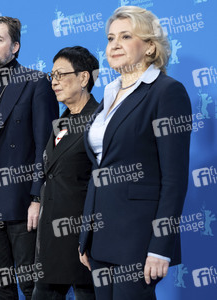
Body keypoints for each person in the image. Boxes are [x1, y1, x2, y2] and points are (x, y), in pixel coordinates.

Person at [78, 6, 192, 300]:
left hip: (139, 240)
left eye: (126, 36)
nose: (114, 45)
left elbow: (174, 179)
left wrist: (160, 247)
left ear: (150, 46)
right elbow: (99, 168)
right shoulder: (109, 92)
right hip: (100, 237)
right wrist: (85, 237)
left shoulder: (167, 92)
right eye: (110, 37)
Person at [0, 16, 58, 299]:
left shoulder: (36, 82)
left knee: (31, 284)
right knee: (0, 284)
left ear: (15, 46)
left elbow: (46, 145)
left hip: (22, 201)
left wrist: (37, 198)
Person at [33, 46, 98, 300]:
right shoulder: (61, 121)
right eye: (52, 76)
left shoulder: (100, 120)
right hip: (51, 238)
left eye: (61, 75)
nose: (54, 82)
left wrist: (89, 237)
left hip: (82, 237)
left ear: (83, 78)